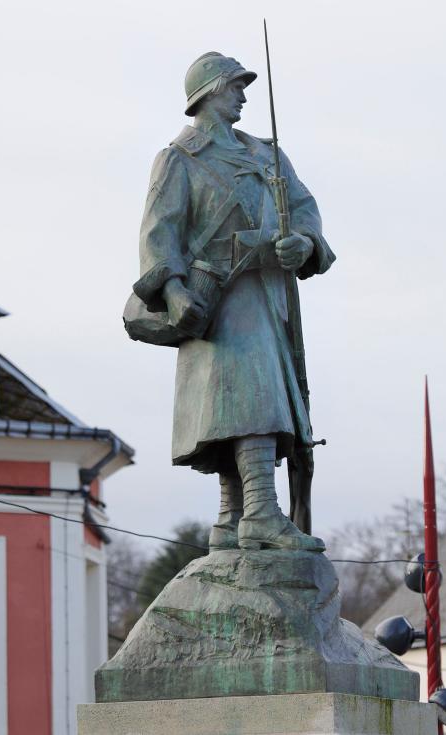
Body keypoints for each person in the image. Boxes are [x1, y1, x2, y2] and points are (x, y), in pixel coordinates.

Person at [129, 52, 335, 552]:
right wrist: (176, 295)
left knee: (246, 398)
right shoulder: (180, 158)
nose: (243, 94)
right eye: (234, 86)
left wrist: (303, 244)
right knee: (247, 397)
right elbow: (160, 234)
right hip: (215, 298)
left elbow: (305, 212)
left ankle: (232, 518)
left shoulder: (269, 155)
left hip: (268, 292)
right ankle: (259, 512)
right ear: (209, 92)